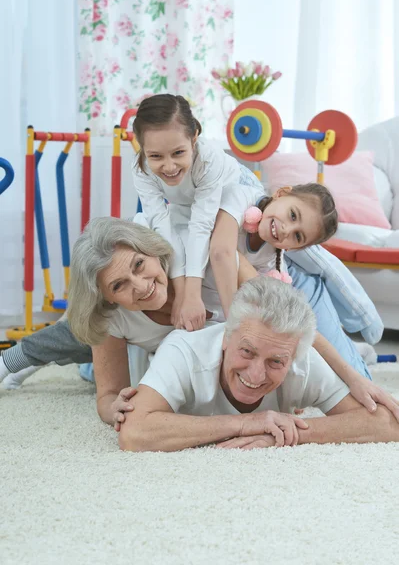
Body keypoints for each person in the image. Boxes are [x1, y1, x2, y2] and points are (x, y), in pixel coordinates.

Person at [1, 218, 397, 427]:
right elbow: (110, 397)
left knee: (339, 362)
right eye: (121, 285)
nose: (140, 287)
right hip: (149, 350)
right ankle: (15, 360)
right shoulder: (110, 314)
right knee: (80, 345)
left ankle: (359, 352)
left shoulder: (206, 262)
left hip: (199, 347)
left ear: (154, 253)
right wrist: (111, 408)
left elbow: (292, 317)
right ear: (109, 295)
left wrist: (354, 376)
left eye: (140, 266)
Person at [117, 277, 399, 453]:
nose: (256, 374)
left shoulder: (302, 359)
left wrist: (291, 435)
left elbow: (388, 424)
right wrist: (246, 423)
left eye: (276, 362)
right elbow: (134, 433)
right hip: (141, 349)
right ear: (227, 336)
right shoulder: (183, 350)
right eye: (248, 351)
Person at [210, 182, 376, 379]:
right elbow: (222, 251)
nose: (286, 230)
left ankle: (355, 355)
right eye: (293, 215)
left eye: (297, 236)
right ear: (280, 193)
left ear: (294, 249)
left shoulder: (273, 263)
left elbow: (288, 320)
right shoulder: (241, 198)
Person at [131, 93, 263, 332]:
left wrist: (193, 294)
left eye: (178, 153)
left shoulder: (208, 160)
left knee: (221, 249)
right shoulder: (141, 170)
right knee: (146, 225)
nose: (169, 166)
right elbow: (162, 225)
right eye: (156, 156)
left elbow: (201, 226)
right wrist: (181, 293)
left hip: (236, 188)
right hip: (189, 205)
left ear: (193, 140)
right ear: (143, 149)